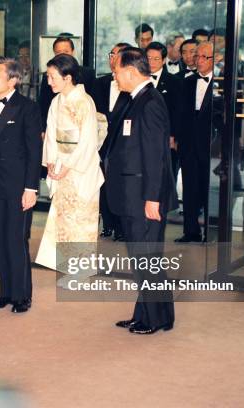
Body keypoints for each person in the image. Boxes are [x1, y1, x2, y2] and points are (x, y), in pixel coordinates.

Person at [101, 47, 177, 335]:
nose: (115, 76)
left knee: (148, 259)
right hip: (131, 194)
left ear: (131, 72)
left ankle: (157, 318)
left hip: (145, 196)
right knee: (142, 259)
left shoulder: (151, 103)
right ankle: (146, 313)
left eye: (117, 71)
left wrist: (152, 198)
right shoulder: (134, 99)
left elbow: (156, 157)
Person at [0, 57, 42, 314]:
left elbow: (35, 152)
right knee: (2, 239)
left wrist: (31, 188)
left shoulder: (28, 108)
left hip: (19, 185)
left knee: (17, 239)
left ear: (13, 80)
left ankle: (23, 295)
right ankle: (5, 293)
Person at [35, 54, 105, 285]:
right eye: (48, 77)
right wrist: (53, 163)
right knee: (64, 221)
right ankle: (69, 268)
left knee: (81, 220)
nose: (49, 82)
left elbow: (87, 141)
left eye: (52, 77)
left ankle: (81, 272)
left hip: (79, 170)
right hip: (62, 167)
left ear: (68, 78)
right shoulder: (57, 102)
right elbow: (51, 137)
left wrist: (68, 166)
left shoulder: (84, 102)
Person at [175, 42, 223, 242]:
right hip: (188, 143)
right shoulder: (187, 81)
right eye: (198, 57)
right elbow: (180, 113)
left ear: (215, 59)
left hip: (211, 144)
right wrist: (176, 137)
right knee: (190, 188)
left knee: (208, 189)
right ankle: (191, 231)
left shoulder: (222, 82)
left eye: (205, 57)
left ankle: (209, 232)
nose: (199, 61)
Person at [92, 42, 131, 241]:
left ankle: (122, 227)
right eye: (111, 54)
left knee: (120, 185)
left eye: (117, 55)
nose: (112, 59)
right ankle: (107, 224)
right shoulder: (99, 83)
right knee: (103, 184)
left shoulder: (131, 86)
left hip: (123, 143)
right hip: (101, 142)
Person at [38, 36, 96, 130]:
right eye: (58, 52)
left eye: (66, 52)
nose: (62, 55)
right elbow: (43, 105)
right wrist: (43, 130)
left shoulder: (87, 74)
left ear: (73, 52)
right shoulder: (48, 76)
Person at [146, 41, 181, 179]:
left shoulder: (174, 81)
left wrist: (173, 135)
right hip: (143, 135)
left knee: (166, 175)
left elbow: (177, 111)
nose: (152, 62)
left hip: (165, 137)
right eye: (148, 58)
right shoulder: (138, 78)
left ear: (164, 60)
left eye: (156, 59)